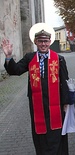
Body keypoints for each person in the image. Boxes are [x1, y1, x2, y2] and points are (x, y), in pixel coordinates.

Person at [1, 23, 69, 155]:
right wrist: (9, 56)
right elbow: (15, 70)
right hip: (37, 103)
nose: (43, 44)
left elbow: (65, 82)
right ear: (35, 42)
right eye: (40, 41)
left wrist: (66, 102)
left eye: (46, 41)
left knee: (56, 132)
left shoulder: (59, 59)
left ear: (50, 42)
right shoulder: (30, 58)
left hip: (56, 103)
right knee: (40, 133)